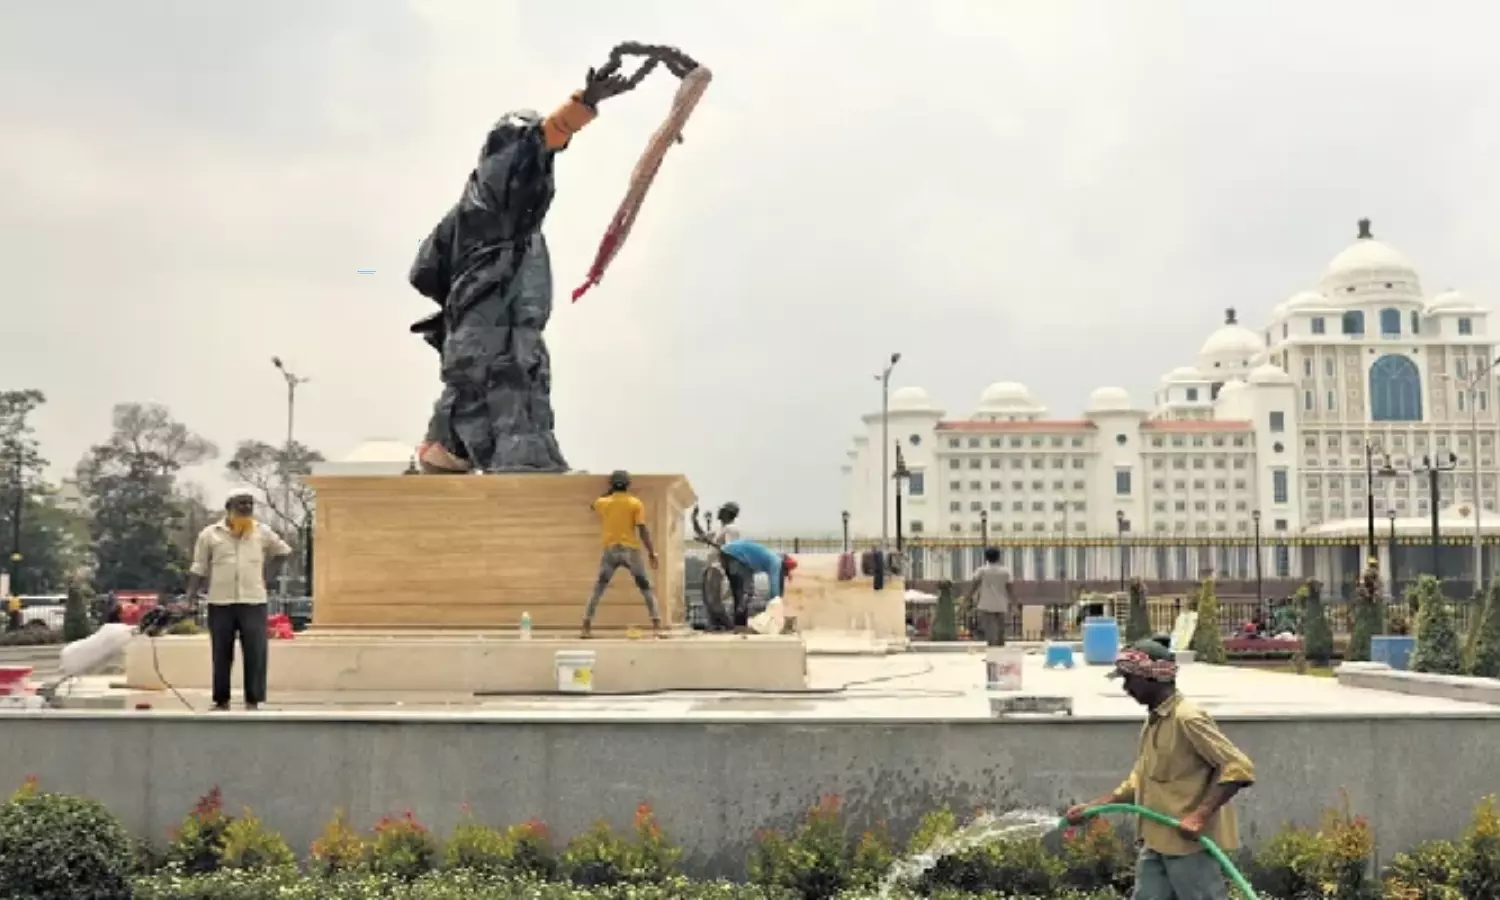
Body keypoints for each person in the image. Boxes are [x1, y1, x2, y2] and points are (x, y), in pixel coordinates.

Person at [1065, 640, 1255, 900]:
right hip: (1156, 841)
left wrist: (1199, 816)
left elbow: (1238, 767)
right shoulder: (1154, 721)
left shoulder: (1187, 718)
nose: (1126, 687)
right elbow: (1139, 781)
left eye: (1130, 679)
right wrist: (1094, 807)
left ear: (1152, 678)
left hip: (1188, 848)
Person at [183, 490, 293, 711]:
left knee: (256, 651)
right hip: (220, 601)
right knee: (221, 652)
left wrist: (266, 576)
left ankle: (253, 699)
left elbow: (283, 551)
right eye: (241, 503)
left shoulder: (261, 531)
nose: (246, 508)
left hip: (253, 601)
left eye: (250, 504)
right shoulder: (210, 534)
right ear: (229, 506)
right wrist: (188, 598)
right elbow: (199, 567)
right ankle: (221, 700)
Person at [582, 470, 661, 638]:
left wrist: (610, 492)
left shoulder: (604, 502)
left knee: (599, 588)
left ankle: (586, 627)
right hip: (630, 550)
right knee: (645, 588)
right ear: (628, 484)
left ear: (611, 485)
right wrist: (651, 552)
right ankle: (657, 627)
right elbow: (642, 529)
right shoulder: (635, 503)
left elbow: (592, 505)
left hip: (610, 550)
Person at [719, 540, 797, 626]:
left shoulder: (768, 558)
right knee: (745, 593)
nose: (784, 575)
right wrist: (776, 603)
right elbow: (775, 586)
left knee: (739, 592)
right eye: (785, 573)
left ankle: (738, 623)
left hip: (729, 554)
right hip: (735, 556)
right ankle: (738, 623)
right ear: (784, 567)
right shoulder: (776, 562)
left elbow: (749, 572)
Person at [964, 547, 1016, 647]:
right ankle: (1000, 654)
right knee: (1000, 632)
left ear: (986, 558)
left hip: (986, 605)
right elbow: (1010, 590)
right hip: (1001, 605)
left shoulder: (982, 571)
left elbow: (974, 587)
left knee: (990, 633)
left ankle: (992, 656)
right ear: (998, 557)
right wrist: (1014, 603)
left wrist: (967, 599)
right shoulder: (1005, 572)